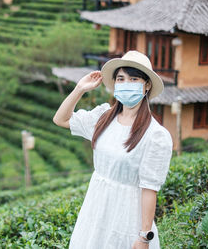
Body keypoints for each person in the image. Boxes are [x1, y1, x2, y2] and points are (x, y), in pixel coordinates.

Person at [52, 50, 173, 249]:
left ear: (147, 85)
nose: (126, 84)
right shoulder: (103, 117)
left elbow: (149, 189)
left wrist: (144, 237)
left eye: (134, 79)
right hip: (95, 212)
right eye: (121, 78)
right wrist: (80, 89)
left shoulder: (155, 135)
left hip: (126, 218)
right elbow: (61, 119)